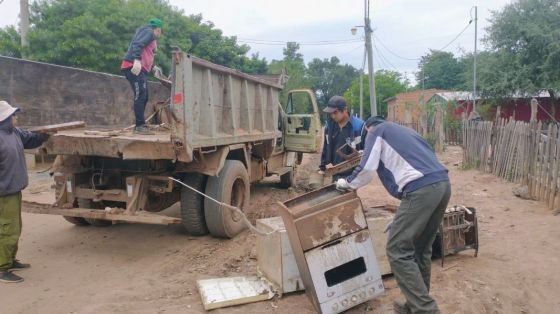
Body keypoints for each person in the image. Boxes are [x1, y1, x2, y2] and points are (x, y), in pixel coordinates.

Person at [337, 116, 451, 314]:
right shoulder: (407, 132)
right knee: (420, 249)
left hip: (421, 190)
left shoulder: (376, 132)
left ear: (368, 129)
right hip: (442, 185)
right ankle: (414, 304)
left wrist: (346, 183)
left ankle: (426, 310)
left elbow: (366, 170)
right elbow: (419, 164)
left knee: (397, 250)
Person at [0, 100, 50, 283]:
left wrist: (44, 135)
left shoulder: (14, 133)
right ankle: (2, 268)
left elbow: (31, 139)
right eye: (13, 115)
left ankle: (10, 260)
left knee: (15, 227)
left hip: (14, 189)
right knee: (7, 229)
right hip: (3, 193)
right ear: (5, 118)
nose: (16, 117)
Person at [121, 18, 163, 135]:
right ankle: (139, 126)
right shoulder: (149, 32)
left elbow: (147, 53)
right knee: (140, 95)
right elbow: (137, 44)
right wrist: (137, 60)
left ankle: (141, 124)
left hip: (141, 69)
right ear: (158, 29)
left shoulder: (150, 36)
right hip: (133, 66)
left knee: (144, 96)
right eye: (160, 31)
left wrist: (153, 66)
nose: (160, 33)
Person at [319, 95, 364, 180]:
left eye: (335, 112)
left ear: (345, 110)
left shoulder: (359, 127)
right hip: (336, 173)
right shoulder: (329, 127)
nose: (333, 116)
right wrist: (322, 167)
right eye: (331, 113)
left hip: (355, 175)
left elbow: (366, 152)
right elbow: (326, 147)